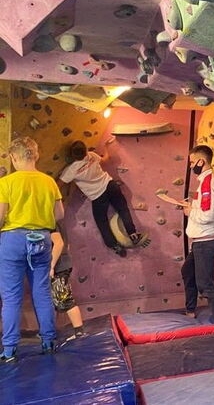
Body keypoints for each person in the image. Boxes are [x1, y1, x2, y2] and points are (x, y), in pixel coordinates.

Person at [0, 137, 64, 362]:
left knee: (11, 296)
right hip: (42, 238)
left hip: (13, 239)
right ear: (36, 155)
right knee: (42, 292)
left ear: (13, 157)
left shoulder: (6, 182)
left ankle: (9, 349)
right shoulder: (49, 182)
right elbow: (59, 215)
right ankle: (48, 342)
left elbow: (0, 216)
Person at [58, 140, 146, 257]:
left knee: (102, 222)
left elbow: (58, 184)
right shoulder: (91, 156)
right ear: (85, 151)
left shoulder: (71, 170)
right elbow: (105, 159)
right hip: (110, 185)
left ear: (72, 155)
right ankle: (133, 234)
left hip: (97, 195)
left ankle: (114, 245)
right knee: (123, 209)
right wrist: (106, 147)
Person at [181, 145, 214, 323]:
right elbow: (206, 208)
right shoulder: (206, 182)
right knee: (188, 271)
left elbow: (207, 216)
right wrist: (192, 206)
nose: (191, 166)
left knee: (206, 283)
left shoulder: (208, 182)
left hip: (206, 241)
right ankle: (190, 309)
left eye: (192, 162)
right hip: (201, 241)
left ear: (201, 161)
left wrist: (190, 211)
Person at [50, 225, 85, 338]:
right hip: (59, 264)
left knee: (64, 299)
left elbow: (59, 243)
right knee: (55, 300)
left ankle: (79, 331)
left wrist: (51, 266)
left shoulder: (51, 223)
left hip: (59, 266)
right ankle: (50, 330)